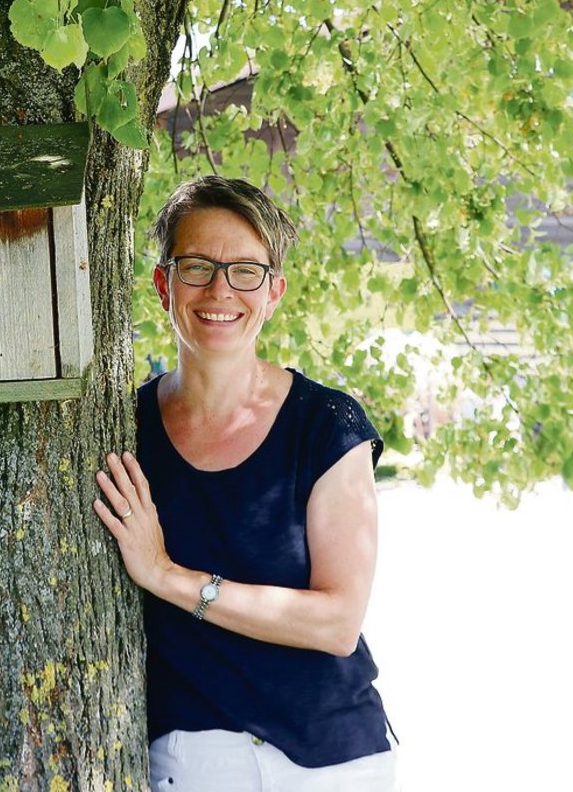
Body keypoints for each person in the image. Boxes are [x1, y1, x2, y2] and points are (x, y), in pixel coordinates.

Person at [92, 175, 397, 790]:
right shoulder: (121, 431)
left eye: (245, 271)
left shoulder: (327, 426)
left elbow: (337, 623)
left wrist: (166, 575)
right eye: (197, 266)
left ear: (273, 291)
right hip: (193, 760)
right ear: (163, 284)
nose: (220, 290)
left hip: (335, 758)